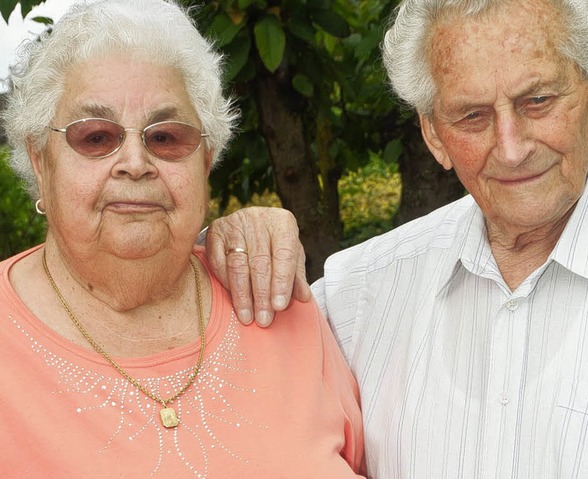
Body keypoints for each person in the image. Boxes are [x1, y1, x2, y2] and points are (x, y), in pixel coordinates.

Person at [205, 0, 588, 477]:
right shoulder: (359, 295)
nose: (512, 149)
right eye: (472, 116)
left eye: (537, 101)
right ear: (432, 133)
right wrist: (230, 246)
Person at [0, 1, 366, 477]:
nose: (135, 162)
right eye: (95, 138)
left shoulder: (277, 302)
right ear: (40, 161)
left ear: (207, 161)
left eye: (166, 138)